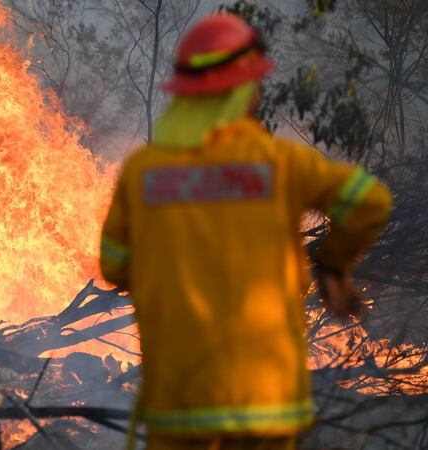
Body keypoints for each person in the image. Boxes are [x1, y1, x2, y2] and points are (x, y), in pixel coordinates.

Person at [99, 13, 392, 450]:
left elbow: (114, 266)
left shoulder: (143, 173)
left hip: (179, 407)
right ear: (244, 91)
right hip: (266, 402)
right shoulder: (279, 164)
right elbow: (370, 202)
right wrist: (332, 266)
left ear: (185, 94)